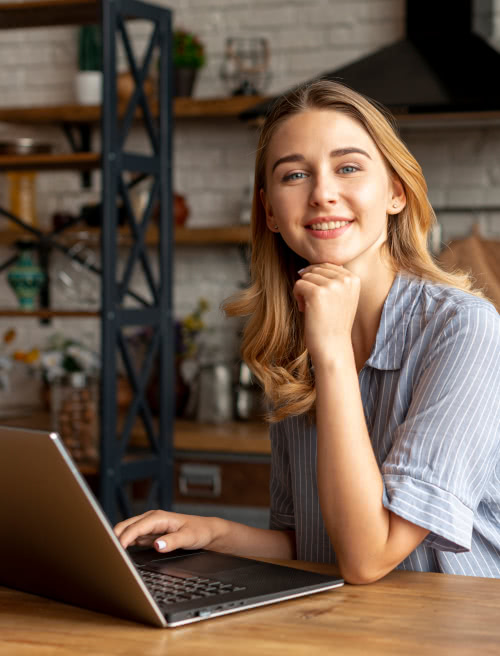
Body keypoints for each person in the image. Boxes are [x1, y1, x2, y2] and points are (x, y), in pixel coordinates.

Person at [114, 80, 500, 583]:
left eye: (348, 167)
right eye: (294, 174)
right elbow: (319, 540)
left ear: (395, 193)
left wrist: (333, 352)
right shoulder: (292, 340)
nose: (322, 193)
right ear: (271, 211)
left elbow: (368, 557)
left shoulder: (464, 329)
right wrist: (213, 533)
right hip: (348, 627)